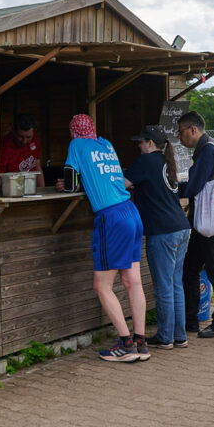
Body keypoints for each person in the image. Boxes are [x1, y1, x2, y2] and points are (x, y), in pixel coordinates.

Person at [61, 114, 148, 361]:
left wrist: (68, 184)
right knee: (133, 282)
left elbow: (70, 184)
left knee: (101, 286)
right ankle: (140, 343)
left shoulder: (76, 144)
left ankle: (126, 345)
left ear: (73, 131)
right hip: (131, 211)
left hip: (111, 217)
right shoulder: (105, 144)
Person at [124, 125, 191, 350]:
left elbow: (121, 184)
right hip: (181, 227)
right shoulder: (165, 161)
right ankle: (179, 335)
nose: (138, 146)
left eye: (141, 142)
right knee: (175, 284)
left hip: (162, 231)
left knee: (163, 287)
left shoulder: (145, 161)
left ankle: (165, 337)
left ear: (150, 143)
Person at [176, 110, 214, 338]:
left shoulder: (208, 149)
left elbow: (193, 186)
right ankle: (191, 320)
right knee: (190, 269)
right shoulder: (209, 148)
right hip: (204, 223)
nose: (180, 138)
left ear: (193, 129)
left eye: (181, 132)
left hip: (211, 223)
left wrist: (171, 188)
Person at [0, 113, 44, 187]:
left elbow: (37, 166)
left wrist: (42, 190)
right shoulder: (4, 147)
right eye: (20, 137)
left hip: (31, 187)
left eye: (28, 137)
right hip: (12, 188)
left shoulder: (35, 139)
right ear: (13, 131)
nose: (24, 141)